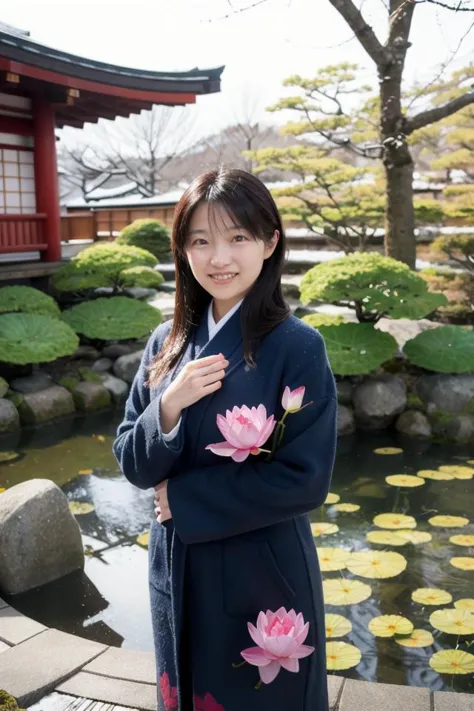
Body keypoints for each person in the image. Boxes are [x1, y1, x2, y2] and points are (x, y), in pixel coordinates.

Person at [112, 168, 338, 711]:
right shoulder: (167, 343)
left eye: (238, 237)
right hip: (177, 559)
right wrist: (168, 404)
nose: (219, 258)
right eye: (201, 240)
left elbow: (305, 480)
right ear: (183, 250)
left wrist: (186, 499)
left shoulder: (296, 346)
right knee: (185, 687)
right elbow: (131, 459)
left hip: (259, 569)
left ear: (269, 242)